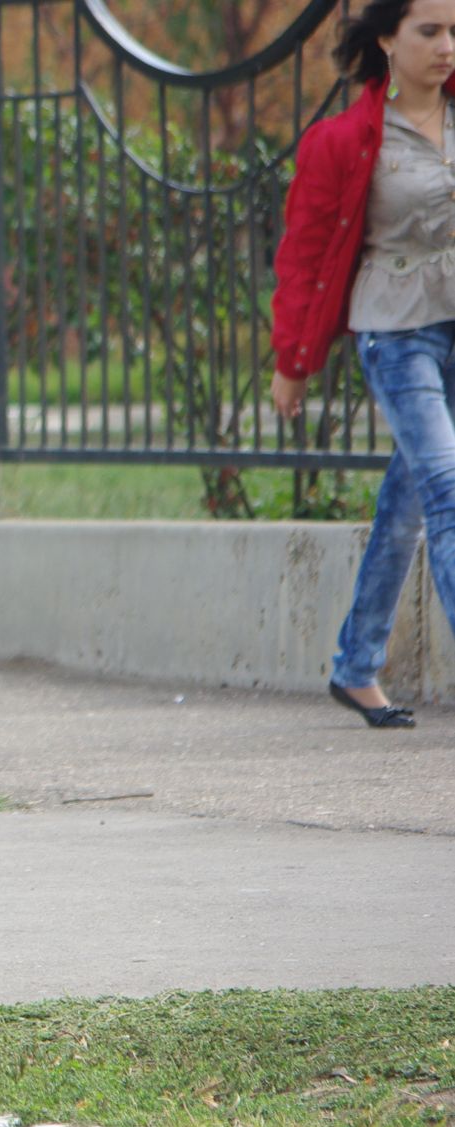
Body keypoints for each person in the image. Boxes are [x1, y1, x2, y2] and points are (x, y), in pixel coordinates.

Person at [273, 0, 455, 728]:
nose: (446, 46)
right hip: (395, 331)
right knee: (446, 487)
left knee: (408, 498)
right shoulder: (345, 141)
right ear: (385, 39)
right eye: (429, 31)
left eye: (454, 31)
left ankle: (354, 665)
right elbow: (304, 254)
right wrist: (292, 359)